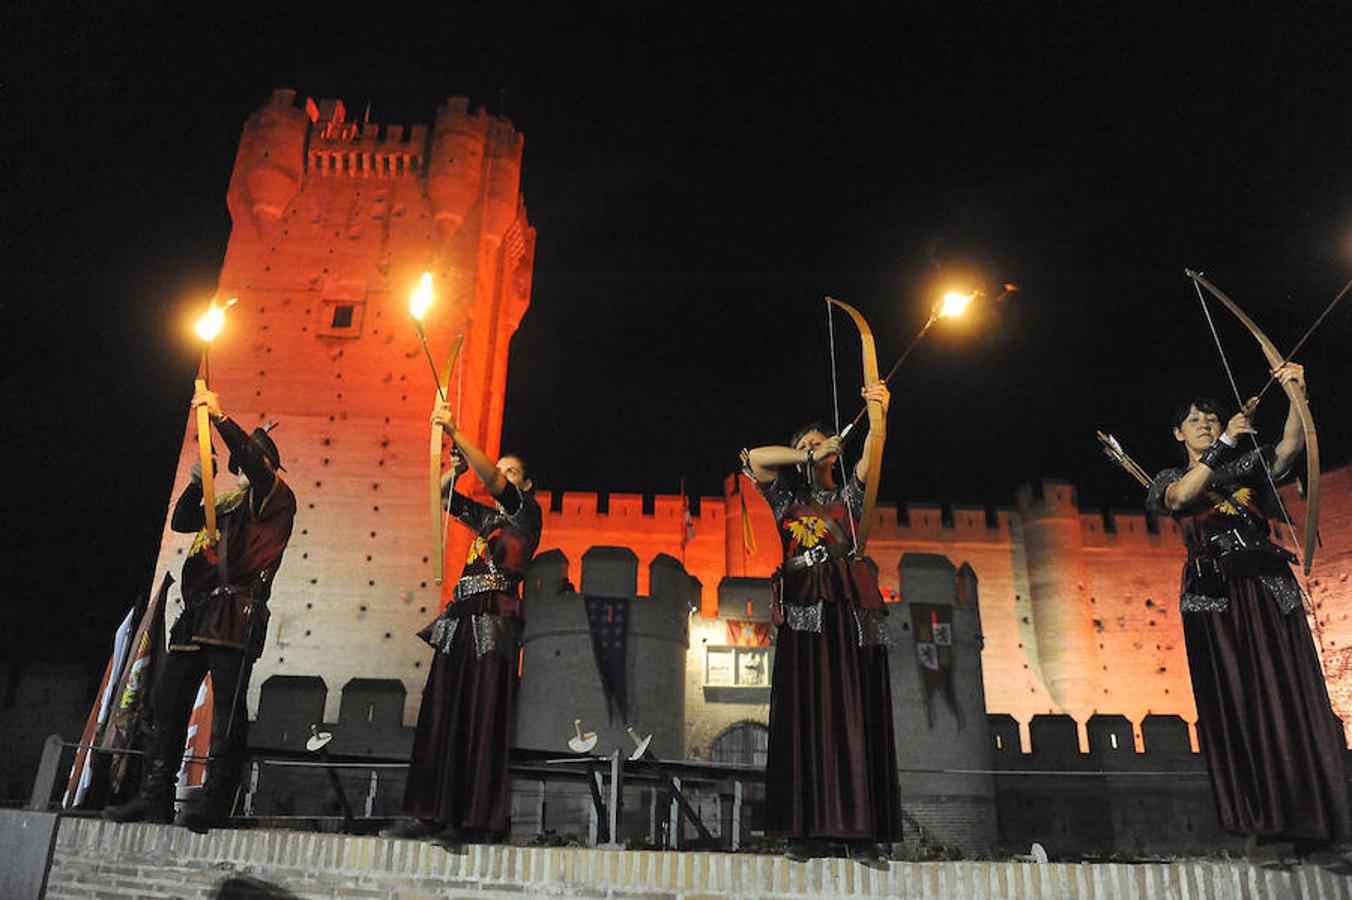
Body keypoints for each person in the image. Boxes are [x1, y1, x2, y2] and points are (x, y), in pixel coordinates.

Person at [1146, 363, 1348, 862]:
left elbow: (1290, 447)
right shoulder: (1170, 477)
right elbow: (1183, 496)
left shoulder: (1249, 466)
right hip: (1216, 599)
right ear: (1178, 433)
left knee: (1292, 702)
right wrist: (1226, 444)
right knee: (1240, 705)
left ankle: (1315, 824)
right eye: (1194, 420)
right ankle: (1263, 824)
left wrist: (1295, 391)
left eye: (1211, 417)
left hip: (1267, 590)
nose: (1205, 423)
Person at [105, 386, 296, 832]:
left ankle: (214, 802)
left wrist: (219, 417)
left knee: (227, 711)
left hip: (235, 611)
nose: (246, 467)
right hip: (195, 614)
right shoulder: (226, 504)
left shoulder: (275, 499)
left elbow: (253, 463)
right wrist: (197, 482)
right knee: (166, 703)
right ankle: (154, 797)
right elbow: (184, 522)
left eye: (252, 460)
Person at [744, 381, 901, 866]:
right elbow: (754, 459)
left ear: (835, 453)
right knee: (803, 720)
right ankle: (805, 831)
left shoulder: (849, 498)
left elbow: (872, 459)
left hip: (846, 612)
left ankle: (861, 833)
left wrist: (879, 413)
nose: (811, 450)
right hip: (804, 615)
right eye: (804, 445)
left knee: (854, 715)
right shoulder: (784, 502)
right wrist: (804, 455)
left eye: (819, 443)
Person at [381, 402, 541, 844]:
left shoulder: (525, 514)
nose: (503, 477)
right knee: (444, 717)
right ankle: (428, 813)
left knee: (479, 717)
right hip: (460, 619)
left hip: (494, 620)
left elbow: (490, 478)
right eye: (502, 470)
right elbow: (443, 498)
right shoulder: (488, 519)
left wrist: (457, 430)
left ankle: (470, 821)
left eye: (511, 473)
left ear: (526, 484)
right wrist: (453, 466)